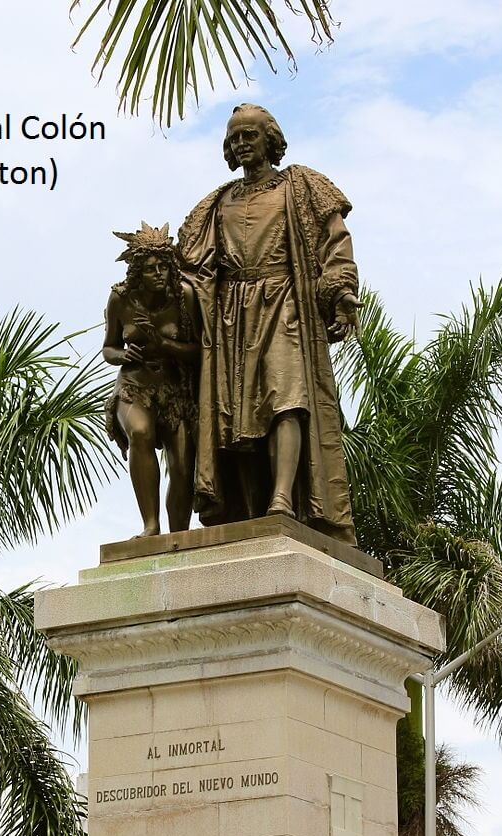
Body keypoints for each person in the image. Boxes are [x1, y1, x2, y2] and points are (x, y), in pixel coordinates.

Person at [177, 104, 360, 543]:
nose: (242, 144)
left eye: (250, 136)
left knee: (287, 397)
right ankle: (249, 504)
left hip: (285, 302)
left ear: (269, 140)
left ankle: (282, 498)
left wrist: (341, 293)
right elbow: (190, 265)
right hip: (231, 314)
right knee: (236, 418)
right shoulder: (217, 203)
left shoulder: (300, 185)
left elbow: (335, 242)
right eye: (235, 137)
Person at [103, 222, 200, 537]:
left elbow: (201, 350)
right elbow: (110, 346)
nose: (158, 273)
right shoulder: (121, 299)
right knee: (141, 433)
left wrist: (165, 345)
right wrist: (122, 356)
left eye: (162, 266)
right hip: (134, 385)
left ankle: (179, 533)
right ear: (136, 272)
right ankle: (150, 525)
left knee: (183, 464)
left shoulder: (183, 296)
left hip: (175, 389)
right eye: (149, 268)